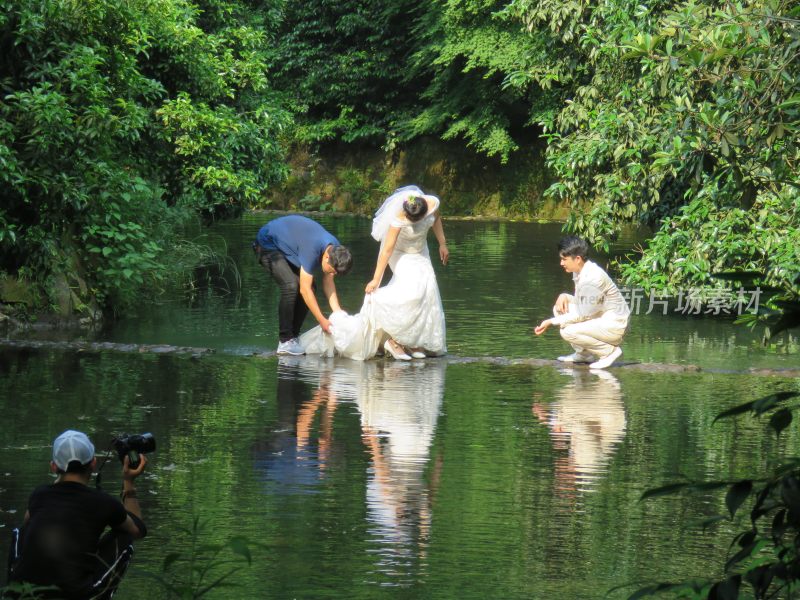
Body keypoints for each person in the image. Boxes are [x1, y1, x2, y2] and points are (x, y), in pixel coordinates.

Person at [299, 185, 449, 360]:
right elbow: (387, 250)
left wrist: (442, 243)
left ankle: (415, 341)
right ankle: (394, 340)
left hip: (420, 251)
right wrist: (376, 279)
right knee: (412, 291)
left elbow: (437, 219)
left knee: (427, 287)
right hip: (400, 254)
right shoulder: (399, 217)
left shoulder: (431, 204)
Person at [7, 430, 148, 599]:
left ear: (53, 467)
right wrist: (129, 481)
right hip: (75, 595)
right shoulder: (103, 502)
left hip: (23, 593)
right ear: (93, 463)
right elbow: (138, 530)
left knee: (21, 531)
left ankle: (12, 590)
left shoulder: (39, 494)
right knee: (124, 535)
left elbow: (28, 525)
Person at [255, 215, 353, 355]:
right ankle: (285, 341)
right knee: (291, 286)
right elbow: (305, 290)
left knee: (312, 287)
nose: (332, 274)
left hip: (289, 247)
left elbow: (328, 282)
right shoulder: (313, 249)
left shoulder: (336, 250)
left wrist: (338, 312)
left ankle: (294, 337)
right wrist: (322, 321)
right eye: (332, 270)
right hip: (268, 243)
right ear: (326, 258)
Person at [534, 236, 630, 369]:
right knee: (560, 308)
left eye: (564, 259)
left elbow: (583, 313)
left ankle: (609, 352)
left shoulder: (594, 277)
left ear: (577, 259)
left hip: (616, 324)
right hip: (600, 316)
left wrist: (550, 322)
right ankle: (583, 354)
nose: (561, 263)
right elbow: (584, 304)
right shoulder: (579, 271)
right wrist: (564, 296)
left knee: (567, 331)